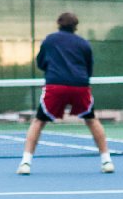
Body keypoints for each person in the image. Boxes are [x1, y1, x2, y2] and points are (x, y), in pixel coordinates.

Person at [17, 12, 114, 175]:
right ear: (76, 26)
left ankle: (25, 163)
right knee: (91, 120)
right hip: (80, 86)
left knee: (38, 122)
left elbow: (41, 62)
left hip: (56, 86)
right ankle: (107, 160)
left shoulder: (50, 40)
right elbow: (89, 68)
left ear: (59, 24)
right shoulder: (84, 44)